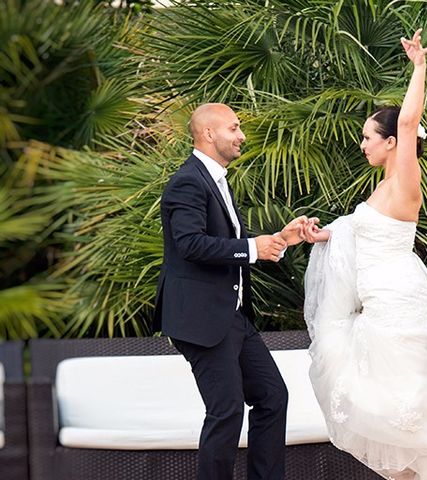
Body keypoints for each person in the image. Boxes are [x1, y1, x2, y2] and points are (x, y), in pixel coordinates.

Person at [301, 30, 427, 480]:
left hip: (397, 305)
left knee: (402, 414)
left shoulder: (404, 181)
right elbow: (361, 230)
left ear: (392, 142)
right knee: (381, 413)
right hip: (376, 304)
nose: (363, 144)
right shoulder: (380, 188)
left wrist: (418, 68)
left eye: (368, 137)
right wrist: (324, 236)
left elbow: (409, 122)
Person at [153, 103, 307, 480]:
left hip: (232, 316)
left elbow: (228, 241)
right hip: (202, 318)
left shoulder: (217, 180)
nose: (241, 136)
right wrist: (253, 248)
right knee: (226, 412)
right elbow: (190, 243)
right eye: (234, 128)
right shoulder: (188, 181)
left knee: (272, 397)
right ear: (208, 134)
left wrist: (279, 240)